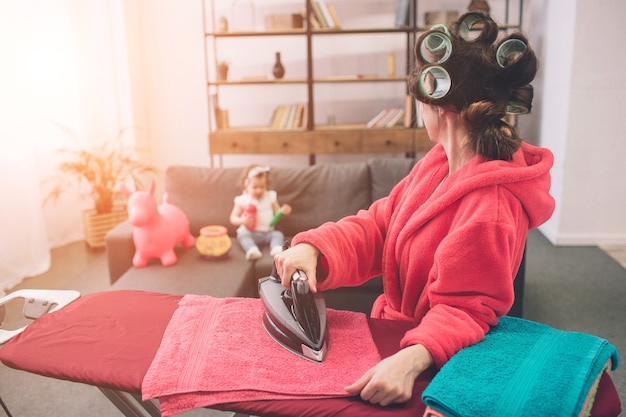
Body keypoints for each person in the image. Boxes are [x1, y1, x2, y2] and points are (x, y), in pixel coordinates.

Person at [273, 12, 555, 406]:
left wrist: (410, 361)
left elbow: (467, 310)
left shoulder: (491, 204)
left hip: (430, 364)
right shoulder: (438, 163)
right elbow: (381, 226)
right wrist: (316, 249)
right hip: (394, 341)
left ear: (442, 107)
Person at [230, 165, 292, 260]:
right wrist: (242, 220)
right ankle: (252, 250)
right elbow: (233, 218)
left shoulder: (270, 196)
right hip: (250, 232)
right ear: (246, 186)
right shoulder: (242, 200)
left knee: (278, 234)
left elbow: (277, 212)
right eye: (255, 187)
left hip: (268, 233)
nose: (259, 190)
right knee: (242, 235)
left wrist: (283, 211)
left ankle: (276, 248)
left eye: (262, 187)